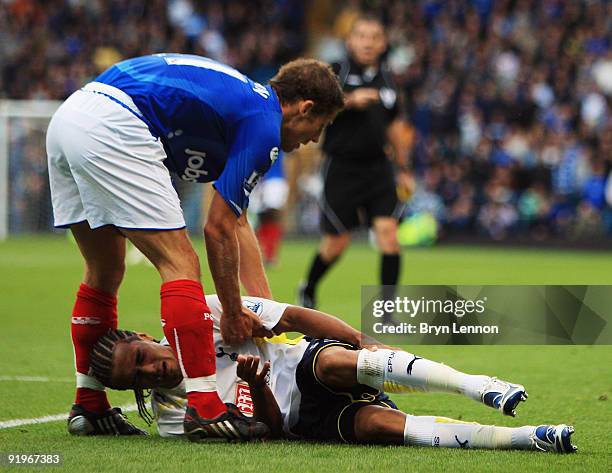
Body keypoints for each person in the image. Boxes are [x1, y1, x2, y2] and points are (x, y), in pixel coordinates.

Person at [46, 53, 344, 439]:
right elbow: (216, 229)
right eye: (321, 125)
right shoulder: (263, 124)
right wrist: (234, 312)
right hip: (116, 123)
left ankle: (88, 404)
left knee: (104, 272)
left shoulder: (240, 106)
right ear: (306, 108)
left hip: (71, 116)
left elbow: (236, 222)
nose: (315, 139)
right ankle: (204, 406)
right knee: (181, 264)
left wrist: (265, 311)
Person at [89, 295, 576, 452]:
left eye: (141, 357)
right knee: (379, 427)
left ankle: (480, 385)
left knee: (337, 361)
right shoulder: (177, 417)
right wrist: (257, 390)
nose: (151, 371)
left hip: (303, 363)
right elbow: (271, 432)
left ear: (142, 336)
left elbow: (296, 318)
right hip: (301, 421)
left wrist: (363, 339)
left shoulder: (206, 313)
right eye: (137, 379)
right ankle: (527, 437)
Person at [299, 15, 413, 312]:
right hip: (342, 167)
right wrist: (349, 100)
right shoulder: (334, 72)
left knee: (389, 235)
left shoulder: (388, 78)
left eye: (374, 37)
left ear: (383, 43)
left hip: (379, 168)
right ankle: (308, 287)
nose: (367, 42)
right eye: (361, 36)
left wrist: (403, 169)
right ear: (350, 41)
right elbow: (314, 109)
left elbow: (394, 126)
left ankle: (387, 313)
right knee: (337, 243)